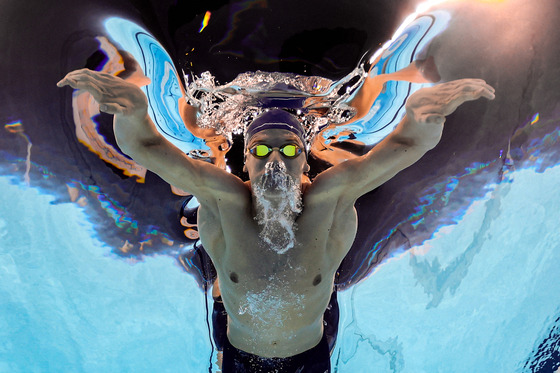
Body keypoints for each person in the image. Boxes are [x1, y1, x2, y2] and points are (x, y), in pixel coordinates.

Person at [58, 68, 495, 372]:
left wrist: (422, 113)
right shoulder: (223, 198)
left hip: (309, 356)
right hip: (238, 353)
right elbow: (148, 149)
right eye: (261, 149)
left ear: (305, 160)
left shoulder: (330, 197)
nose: (274, 161)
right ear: (244, 160)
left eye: (288, 149)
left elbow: (404, 146)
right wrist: (131, 110)